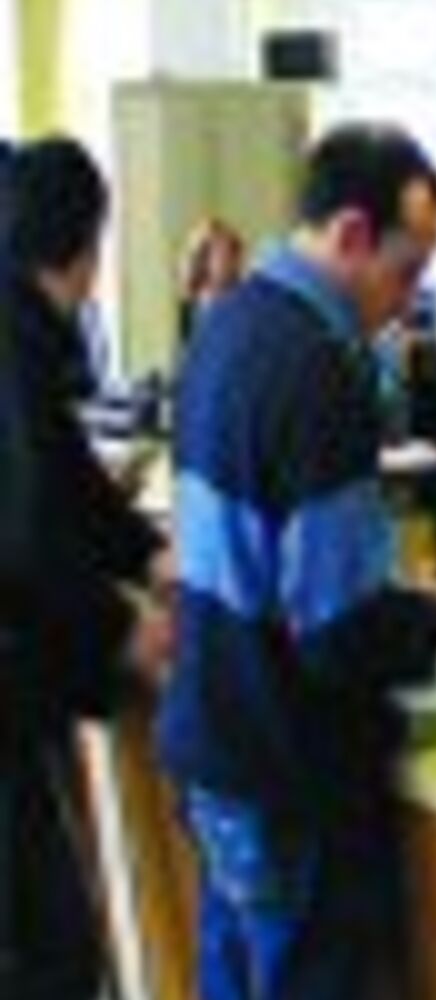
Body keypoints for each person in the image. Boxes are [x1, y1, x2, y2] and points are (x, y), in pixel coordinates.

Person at [161, 123, 436, 1000]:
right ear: (352, 235)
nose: (407, 302)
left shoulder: (227, 324)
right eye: (406, 271)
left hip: (217, 742)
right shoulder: (319, 370)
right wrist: (430, 617)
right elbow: (336, 633)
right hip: (285, 768)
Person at [0, 136, 175, 1000]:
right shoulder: (17, 341)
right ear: (85, 245)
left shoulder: (21, 335)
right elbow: (31, 530)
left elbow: (69, 479)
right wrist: (122, 622)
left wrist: (149, 553)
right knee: (49, 956)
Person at [176, 216, 246, 350]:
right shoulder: (191, 309)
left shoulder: (244, 305)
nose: (236, 262)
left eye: (235, 251)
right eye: (229, 252)